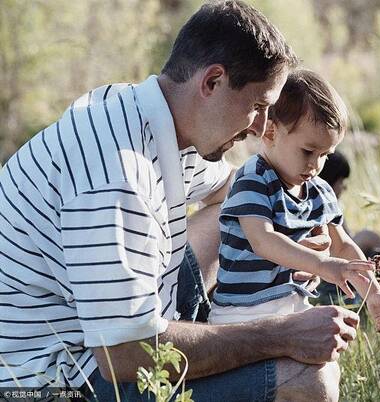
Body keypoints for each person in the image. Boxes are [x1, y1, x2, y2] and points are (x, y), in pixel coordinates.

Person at [0, 2, 361, 401]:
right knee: (308, 381)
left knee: (239, 207)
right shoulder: (115, 177)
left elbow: (235, 190)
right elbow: (120, 356)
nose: (261, 127)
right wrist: (281, 335)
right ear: (212, 82)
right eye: (258, 106)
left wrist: (296, 245)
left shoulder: (152, 115)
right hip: (52, 381)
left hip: (109, 328)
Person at [208, 69, 380, 332]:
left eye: (325, 155)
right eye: (308, 151)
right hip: (242, 312)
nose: (315, 164)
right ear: (271, 133)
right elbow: (263, 241)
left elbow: (342, 246)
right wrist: (321, 264)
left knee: (332, 337)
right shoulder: (253, 179)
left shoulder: (319, 190)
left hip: (292, 305)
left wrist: (374, 292)